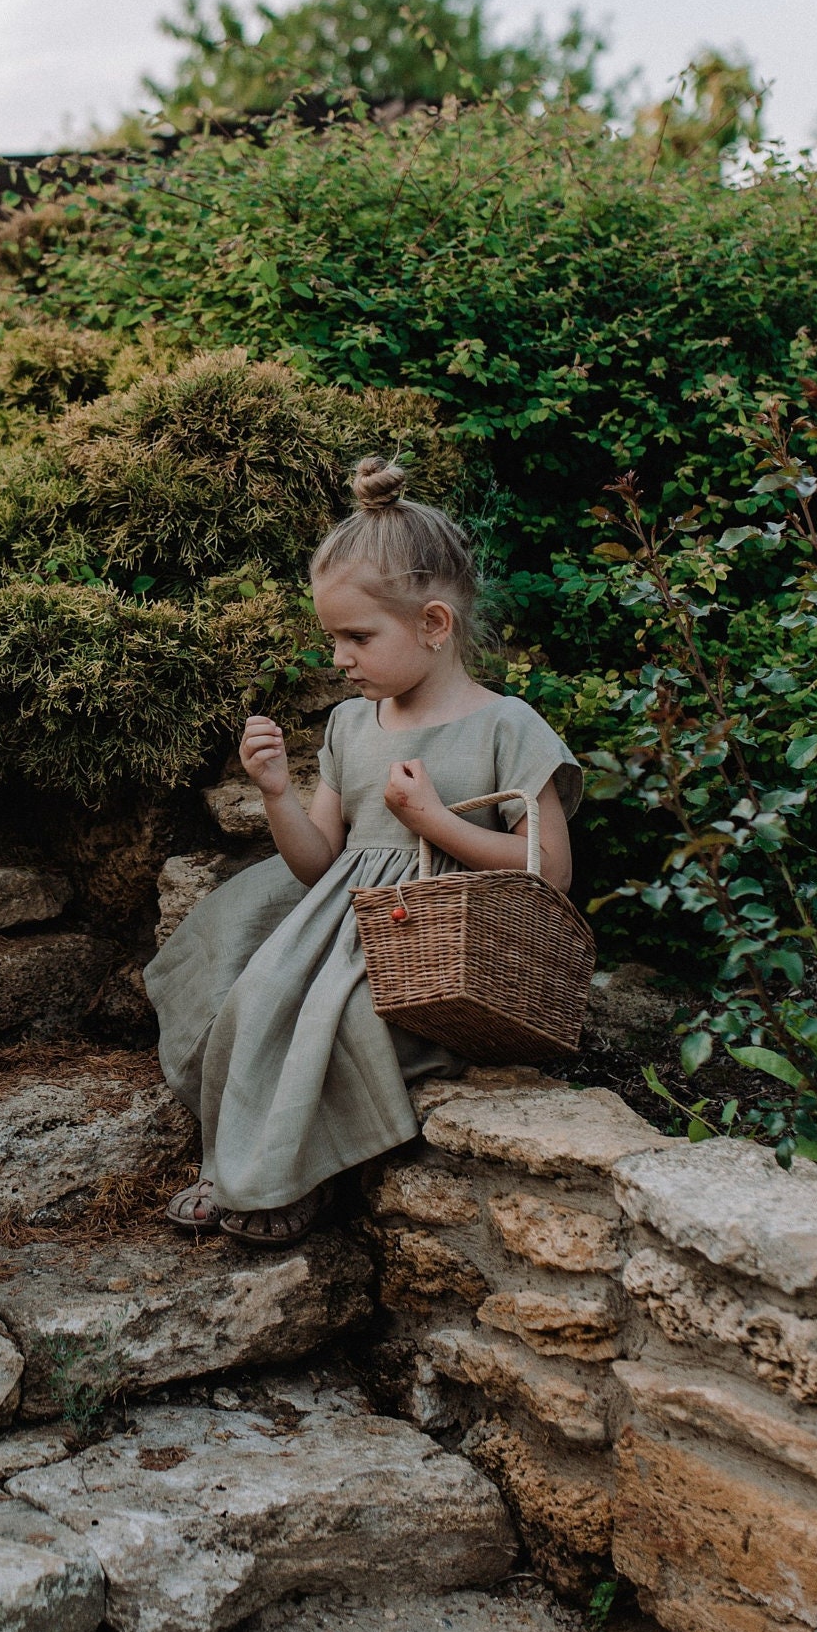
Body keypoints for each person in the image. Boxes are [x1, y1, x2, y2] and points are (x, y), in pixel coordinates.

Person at [148, 459, 581, 1243]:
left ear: (435, 625)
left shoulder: (505, 724)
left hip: (440, 940)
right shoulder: (352, 726)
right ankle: (231, 1167)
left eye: (357, 637)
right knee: (258, 992)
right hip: (340, 920)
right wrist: (278, 790)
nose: (339, 658)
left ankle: (288, 1180)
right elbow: (319, 862)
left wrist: (433, 820)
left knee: (338, 1017)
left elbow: (547, 870)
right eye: (332, 638)